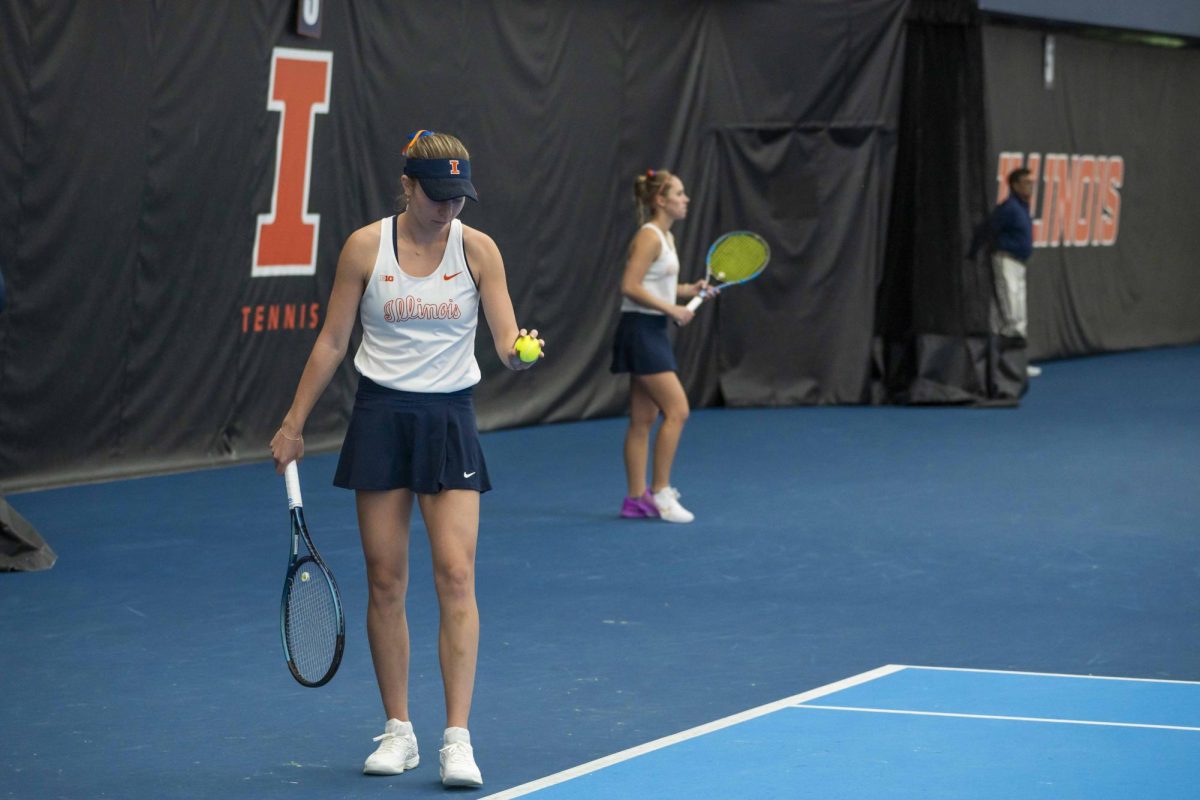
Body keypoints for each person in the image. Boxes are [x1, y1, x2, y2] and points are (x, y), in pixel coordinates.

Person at [270, 130, 543, 788]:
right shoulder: (366, 247)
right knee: (386, 581)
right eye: (439, 196)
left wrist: (518, 349)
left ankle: (457, 739)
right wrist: (293, 423)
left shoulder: (478, 252)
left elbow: (505, 340)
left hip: (449, 419)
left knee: (456, 575)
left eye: (460, 197)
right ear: (408, 186)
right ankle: (399, 731)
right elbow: (334, 340)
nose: (450, 209)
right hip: (381, 418)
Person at [610, 169, 708, 524]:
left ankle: (636, 500)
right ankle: (662, 492)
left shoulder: (667, 237)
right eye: (679, 194)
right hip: (640, 331)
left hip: (651, 328)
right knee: (677, 411)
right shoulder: (650, 236)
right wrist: (673, 310)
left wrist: (690, 290)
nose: (686, 199)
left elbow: (659, 285)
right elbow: (629, 285)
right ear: (660, 200)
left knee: (643, 418)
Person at [988, 167, 1040, 377]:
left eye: (1031, 182)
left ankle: (1017, 364)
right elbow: (988, 229)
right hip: (1005, 262)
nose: (1030, 186)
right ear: (1015, 185)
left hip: (1019, 265)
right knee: (1009, 315)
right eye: (1026, 183)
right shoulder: (1008, 208)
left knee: (1019, 316)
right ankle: (1003, 367)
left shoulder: (1023, 207)